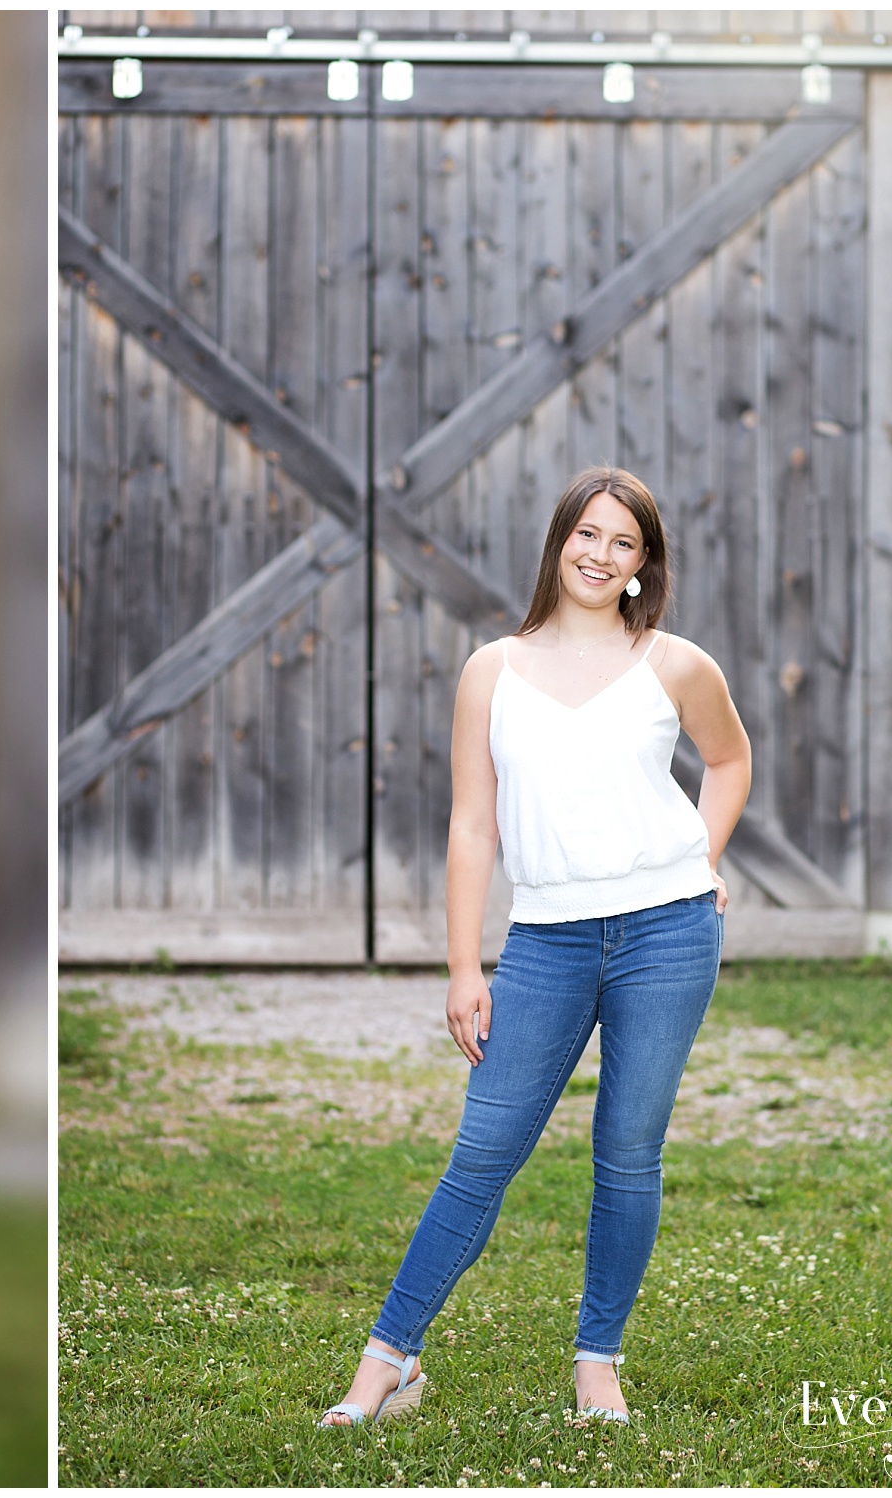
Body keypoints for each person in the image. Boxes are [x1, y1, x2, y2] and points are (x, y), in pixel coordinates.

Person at [317, 466, 750, 1430]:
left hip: (671, 933)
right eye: (587, 535)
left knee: (627, 1153)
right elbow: (474, 826)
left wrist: (701, 857)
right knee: (484, 1150)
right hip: (547, 940)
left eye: (623, 544)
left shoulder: (674, 663)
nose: (601, 555)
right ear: (561, 541)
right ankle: (388, 1360)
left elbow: (730, 760)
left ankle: (599, 1362)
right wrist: (465, 966)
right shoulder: (492, 670)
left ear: (644, 565)